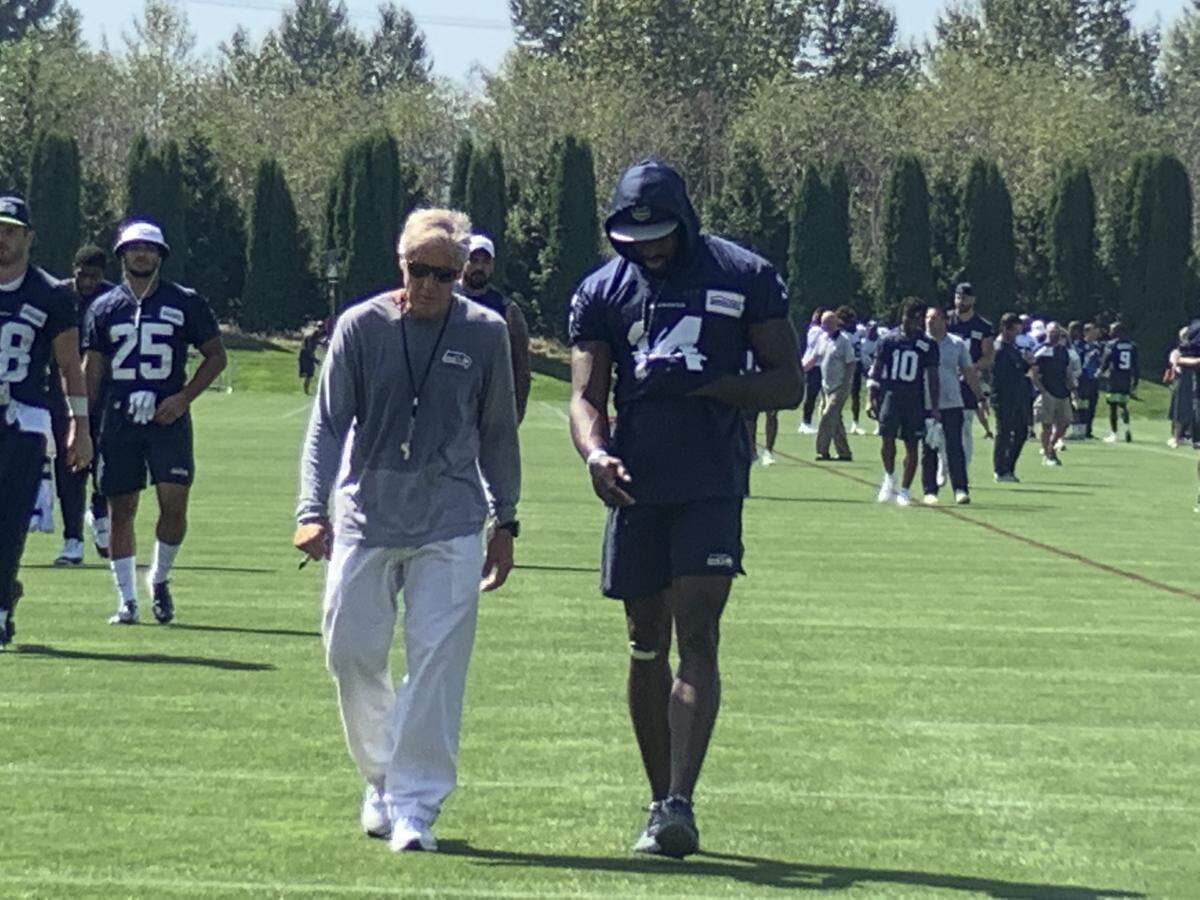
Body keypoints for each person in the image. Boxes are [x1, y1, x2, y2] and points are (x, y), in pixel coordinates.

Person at [568, 158, 801, 858]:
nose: (651, 249)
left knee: (698, 634)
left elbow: (787, 384)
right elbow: (584, 396)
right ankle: (655, 795)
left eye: (663, 234)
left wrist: (712, 383)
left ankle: (679, 801)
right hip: (636, 480)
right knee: (645, 638)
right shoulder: (601, 290)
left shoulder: (744, 275)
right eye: (636, 238)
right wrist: (595, 454)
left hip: (708, 481)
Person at [295, 208, 519, 853]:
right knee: (351, 651)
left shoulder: (486, 333)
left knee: (438, 663)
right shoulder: (361, 327)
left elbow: (499, 430)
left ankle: (417, 806)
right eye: (419, 271)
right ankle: (381, 777)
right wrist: (311, 510)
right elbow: (328, 424)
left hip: (449, 518)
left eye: (444, 275)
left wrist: (507, 519)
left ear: (462, 275)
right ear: (401, 265)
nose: (429, 286)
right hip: (366, 514)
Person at [83, 220, 227, 626]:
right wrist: (80, 421)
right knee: (121, 507)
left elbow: (216, 356)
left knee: (174, 502)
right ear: (122, 255)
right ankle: (126, 600)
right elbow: (92, 369)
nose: (141, 254)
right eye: (134, 248)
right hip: (120, 418)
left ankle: (160, 578)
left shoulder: (185, 301)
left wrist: (182, 399)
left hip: (168, 418)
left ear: (160, 255)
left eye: (149, 248)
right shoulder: (104, 307)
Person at [0, 194, 92, 649]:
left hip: (26, 416)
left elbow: (69, 366)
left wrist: (80, 425)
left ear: (29, 237)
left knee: (11, 517)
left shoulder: (51, 293)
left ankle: (0, 604)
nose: (2, 239)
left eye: (11, 230)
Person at [49, 244, 114, 565]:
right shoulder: (57, 296)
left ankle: (99, 509)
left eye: (94, 276)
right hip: (63, 395)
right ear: (72, 269)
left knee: (106, 463)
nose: (87, 282)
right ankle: (72, 539)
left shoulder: (113, 300)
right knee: (70, 466)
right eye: (82, 274)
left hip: (105, 396)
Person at [869, 299, 939, 506]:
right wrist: (872, 393)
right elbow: (877, 367)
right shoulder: (889, 339)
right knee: (887, 438)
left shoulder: (927, 344)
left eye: (917, 318)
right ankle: (890, 478)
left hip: (914, 397)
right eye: (909, 317)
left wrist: (934, 407)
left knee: (912, 444)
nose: (912, 322)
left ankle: (905, 491)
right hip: (891, 394)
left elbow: (933, 377)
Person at [457, 234, 531, 424]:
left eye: (485, 261)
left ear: (492, 265)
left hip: (488, 404)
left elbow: (521, 365)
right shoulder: (444, 299)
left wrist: (517, 411)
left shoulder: (507, 310)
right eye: (473, 260)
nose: (479, 267)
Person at [922, 304, 983, 505]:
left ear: (944, 321)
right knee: (929, 447)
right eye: (927, 318)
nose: (930, 321)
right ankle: (930, 490)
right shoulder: (920, 343)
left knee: (955, 447)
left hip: (952, 402)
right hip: (927, 403)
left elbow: (968, 371)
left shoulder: (957, 344)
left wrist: (980, 397)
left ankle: (960, 489)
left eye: (934, 318)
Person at [946, 282, 995, 467]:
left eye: (965, 297)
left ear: (973, 299)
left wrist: (971, 367)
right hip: (946, 377)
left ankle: (962, 468)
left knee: (965, 425)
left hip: (968, 380)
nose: (961, 301)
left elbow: (988, 356)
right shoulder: (946, 320)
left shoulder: (982, 326)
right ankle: (944, 465)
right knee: (942, 426)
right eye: (958, 296)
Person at [805, 309, 855, 461]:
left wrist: (846, 384)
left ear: (833, 323)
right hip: (826, 386)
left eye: (825, 323)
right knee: (835, 420)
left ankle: (822, 451)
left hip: (840, 387)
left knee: (827, 417)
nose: (822, 326)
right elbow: (813, 358)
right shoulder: (822, 339)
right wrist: (798, 370)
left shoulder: (844, 341)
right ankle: (844, 453)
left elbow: (851, 363)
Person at [991, 313, 1031, 482]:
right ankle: (1000, 470)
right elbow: (1002, 375)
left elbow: (1021, 369)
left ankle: (1009, 467)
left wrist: (1028, 362)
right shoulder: (999, 349)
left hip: (1018, 397)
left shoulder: (1012, 348)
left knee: (1022, 432)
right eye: (1014, 330)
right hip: (1004, 397)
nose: (1016, 334)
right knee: (1004, 433)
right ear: (1005, 328)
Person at [1031, 322, 1075, 466]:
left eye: (1058, 332)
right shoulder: (1042, 349)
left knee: (1065, 422)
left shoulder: (1063, 351)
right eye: (1052, 332)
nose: (1056, 334)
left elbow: (1066, 370)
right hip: (1048, 391)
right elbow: (1033, 371)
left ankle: (1051, 445)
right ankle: (1048, 454)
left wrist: (1072, 387)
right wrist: (1041, 390)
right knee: (1047, 425)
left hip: (1062, 392)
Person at [1100, 322, 1139, 443]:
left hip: (1114, 378)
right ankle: (1127, 428)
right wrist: (1136, 380)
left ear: (1117, 331)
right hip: (1126, 378)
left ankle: (1114, 433)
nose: (1110, 332)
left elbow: (1106, 360)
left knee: (1112, 407)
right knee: (1123, 405)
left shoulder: (1112, 345)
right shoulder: (1132, 346)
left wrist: (1101, 371)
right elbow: (1136, 365)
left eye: (1112, 330)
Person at [797, 307, 825, 434]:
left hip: (821, 366)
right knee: (811, 395)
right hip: (815, 366)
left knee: (822, 396)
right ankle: (805, 422)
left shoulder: (817, 330)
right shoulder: (816, 330)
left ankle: (820, 422)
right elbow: (815, 349)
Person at [1168, 326, 1196, 448]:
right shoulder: (1178, 351)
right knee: (1180, 410)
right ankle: (1176, 437)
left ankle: (1191, 436)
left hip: (1194, 382)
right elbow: (1175, 362)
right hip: (1183, 381)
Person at [298, 326, 321, 395]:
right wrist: (316, 360)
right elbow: (309, 351)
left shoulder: (313, 339)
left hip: (305, 355)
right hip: (306, 356)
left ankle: (307, 389)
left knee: (310, 374)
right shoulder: (310, 340)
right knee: (309, 374)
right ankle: (306, 390)